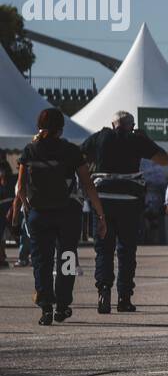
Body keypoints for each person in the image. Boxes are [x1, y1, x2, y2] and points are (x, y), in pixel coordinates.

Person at [11, 108, 107, 324]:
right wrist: (101, 215)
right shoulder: (71, 151)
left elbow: (21, 187)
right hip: (67, 214)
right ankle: (63, 305)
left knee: (41, 261)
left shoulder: (30, 151)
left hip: (39, 214)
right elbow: (88, 184)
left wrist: (19, 213)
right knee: (67, 258)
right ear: (61, 128)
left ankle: (45, 307)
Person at [83, 110, 168, 314]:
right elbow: (164, 160)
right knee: (126, 250)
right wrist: (145, 139)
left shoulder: (100, 136)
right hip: (129, 203)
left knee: (103, 249)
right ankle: (124, 298)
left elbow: (79, 156)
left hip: (103, 201)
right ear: (131, 125)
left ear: (113, 125)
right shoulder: (137, 139)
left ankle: (104, 290)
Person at [0, 159, 15, 267]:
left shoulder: (11, 182)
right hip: (2, 210)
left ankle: (2, 257)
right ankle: (2, 257)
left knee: (4, 235)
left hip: (8, 209)